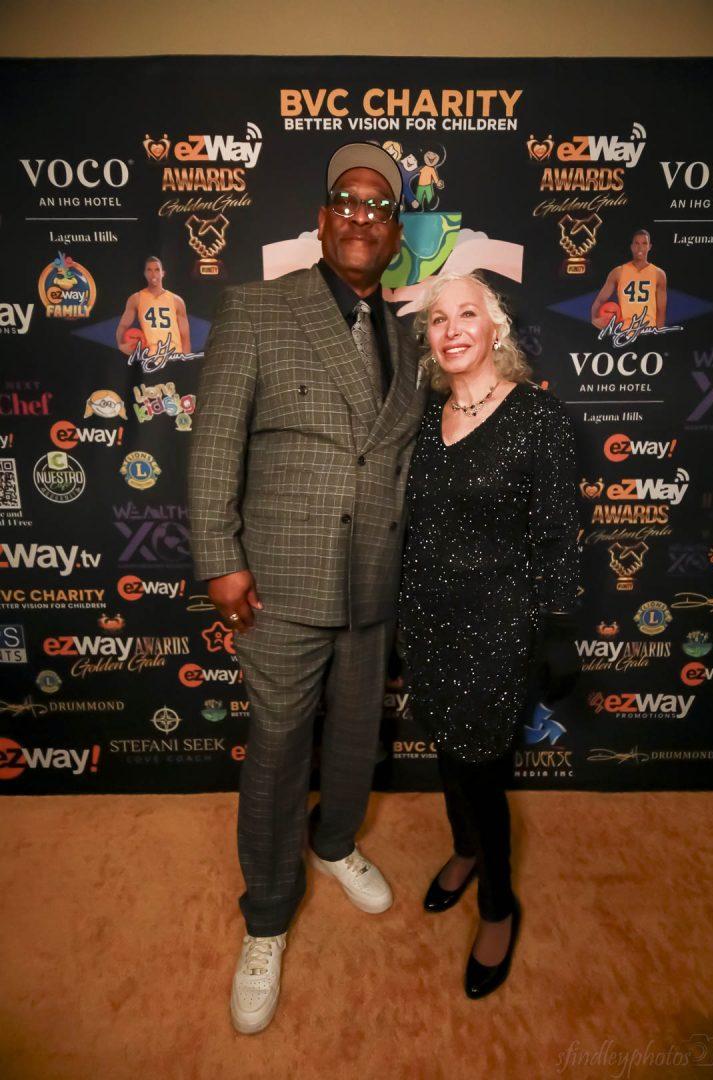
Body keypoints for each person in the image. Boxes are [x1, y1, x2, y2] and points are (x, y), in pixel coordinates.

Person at [188, 142, 426, 1034]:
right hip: (280, 582)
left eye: (380, 206)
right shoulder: (257, 307)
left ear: (395, 235)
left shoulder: (409, 337)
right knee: (280, 752)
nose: (363, 216)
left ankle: (335, 843)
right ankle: (265, 918)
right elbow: (216, 442)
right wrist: (220, 558)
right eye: (347, 201)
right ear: (324, 220)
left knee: (357, 740)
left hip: (373, 583)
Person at [399, 271, 579, 1000]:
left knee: (478, 766)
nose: (452, 330)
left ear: (495, 327)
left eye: (467, 314)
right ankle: (464, 848)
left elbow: (557, 536)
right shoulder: (422, 421)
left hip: (496, 628)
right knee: (448, 750)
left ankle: (499, 903)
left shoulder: (540, 419)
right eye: (439, 319)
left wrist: (555, 629)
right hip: (425, 622)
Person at [116, 256, 191, 358]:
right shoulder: (136, 298)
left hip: (174, 355)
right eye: (149, 270)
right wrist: (121, 345)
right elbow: (123, 325)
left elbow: (185, 336)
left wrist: (185, 361)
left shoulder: (177, 300)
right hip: (150, 357)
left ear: (162, 273)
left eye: (157, 270)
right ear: (145, 274)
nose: (153, 274)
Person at [591, 229, 667, 329]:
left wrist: (659, 334)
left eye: (644, 243)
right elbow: (600, 301)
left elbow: (661, 310)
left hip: (648, 330)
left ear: (649, 247)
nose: (640, 247)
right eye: (637, 243)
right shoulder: (618, 272)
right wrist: (594, 319)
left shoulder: (659, 274)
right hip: (625, 332)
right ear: (632, 247)